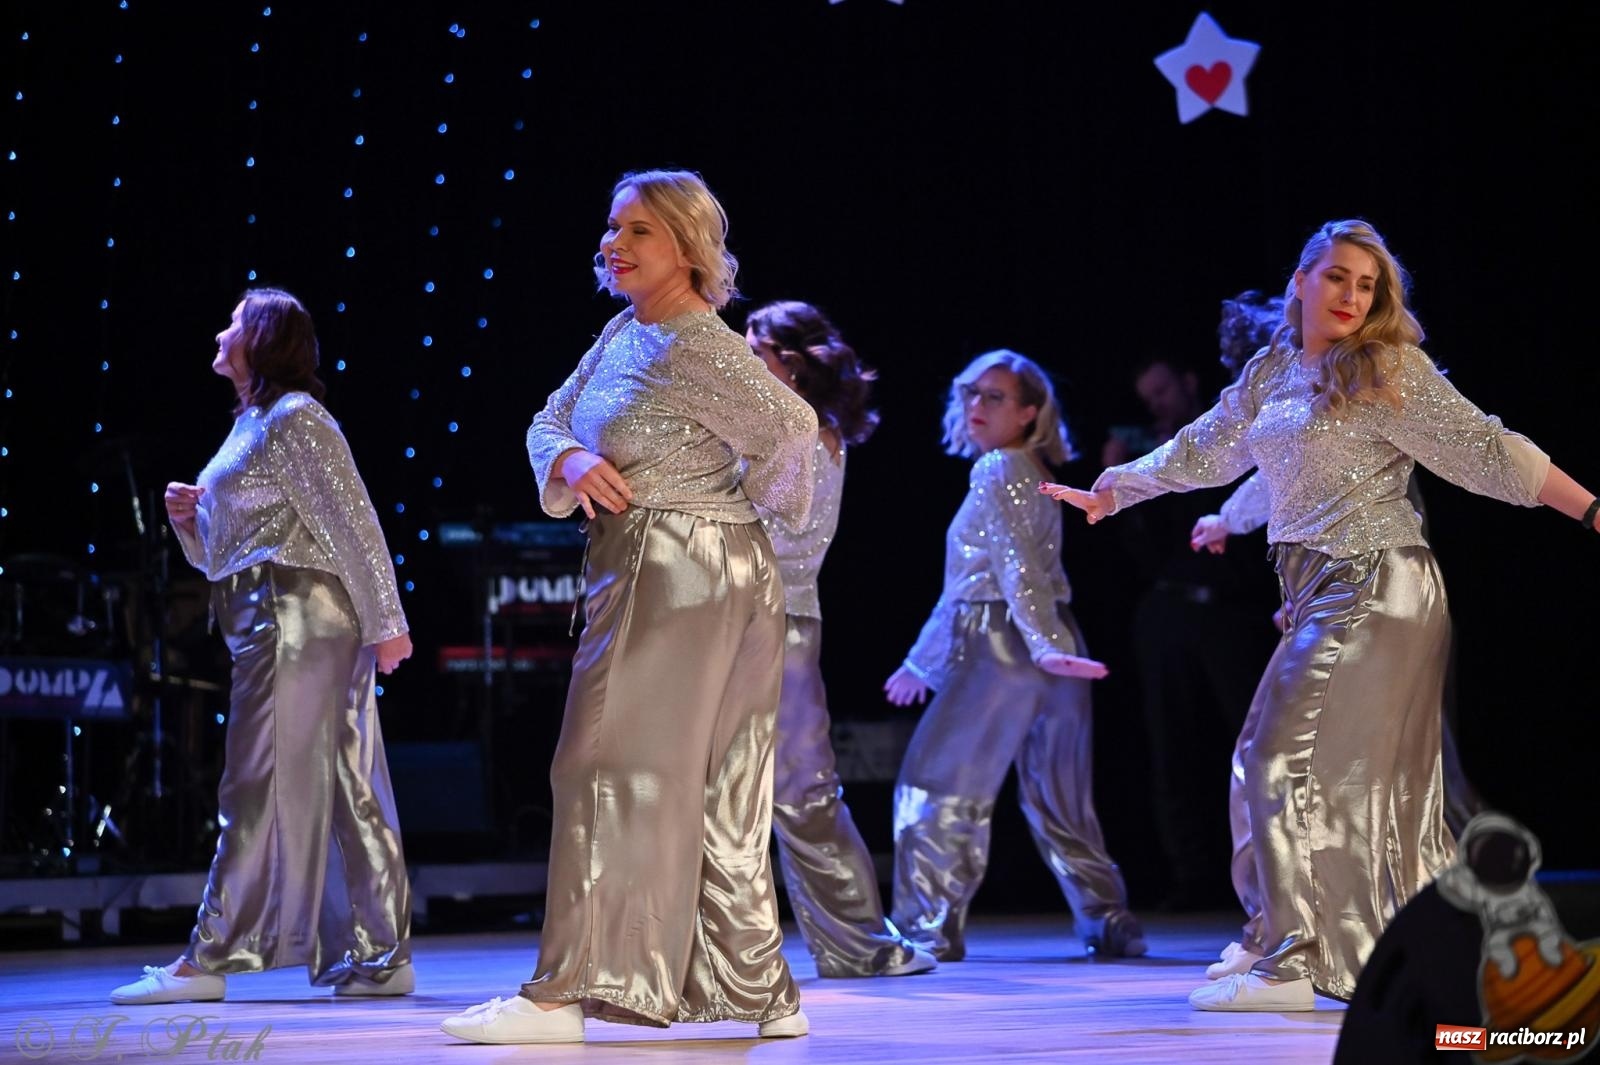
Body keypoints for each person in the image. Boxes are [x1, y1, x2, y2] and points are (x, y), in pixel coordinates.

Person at [1043, 219, 1599, 1011]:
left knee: (1277, 761)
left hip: (1378, 581)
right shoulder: (1275, 367)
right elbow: (1207, 446)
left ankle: (1294, 962)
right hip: (1313, 588)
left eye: (1367, 284)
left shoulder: (1385, 367)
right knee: (1265, 762)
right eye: (1337, 276)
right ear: (1300, 281)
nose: (1351, 295)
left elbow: (1490, 449)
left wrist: (1592, 512)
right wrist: (1113, 488)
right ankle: (1289, 935)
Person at [439, 170, 819, 1045]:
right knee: (706, 780)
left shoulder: (697, 341)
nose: (614, 242)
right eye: (613, 226)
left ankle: (562, 995)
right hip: (681, 563)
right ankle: (760, 988)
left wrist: (723, 498)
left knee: (600, 768)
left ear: (686, 248)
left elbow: (793, 429)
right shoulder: (624, 330)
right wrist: (570, 460)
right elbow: (547, 419)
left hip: (675, 562)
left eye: (638, 229)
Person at [110, 288, 415, 1005]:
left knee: (256, 783)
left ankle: (211, 954)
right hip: (276, 613)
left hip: (296, 617)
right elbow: (221, 555)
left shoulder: (296, 418)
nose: (222, 331)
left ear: (266, 340)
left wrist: (388, 621)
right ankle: (380, 953)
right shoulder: (254, 422)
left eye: (236, 322)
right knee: (344, 782)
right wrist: (192, 520)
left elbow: (353, 521)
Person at [883, 349, 1145, 963]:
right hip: (1051, 636)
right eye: (972, 393)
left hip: (1006, 639)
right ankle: (1110, 922)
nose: (977, 406)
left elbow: (1010, 569)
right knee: (1059, 796)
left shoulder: (998, 469)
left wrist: (1042, 649)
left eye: (995, 397)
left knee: (936, 787)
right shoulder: (1029, 469)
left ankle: (925, 929)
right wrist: (929, 661)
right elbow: (1012, 568)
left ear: (1029, 412)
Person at [745, 299, 938, 979]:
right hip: (768, 621)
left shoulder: (794, 435)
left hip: (766, 623)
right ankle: (851, 942)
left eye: (754, 347)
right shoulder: (799, 431)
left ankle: (858, 940)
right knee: (785, 790)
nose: (740, 357)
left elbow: (761, 533)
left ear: (789, 365)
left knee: (794, 791)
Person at [1100, 353, 1279, 913]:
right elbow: (1143, 554)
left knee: (1254, 737)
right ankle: (1191, 874)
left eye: (1162, 390)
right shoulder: (1153, 457)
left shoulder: (1225, 434)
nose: (1155, 403)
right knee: (1169, 742)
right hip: (1167, 609)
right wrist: (1123, 484)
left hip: (1229, 610)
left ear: (1188, 380)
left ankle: (1272, 873)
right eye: (1146, 396)